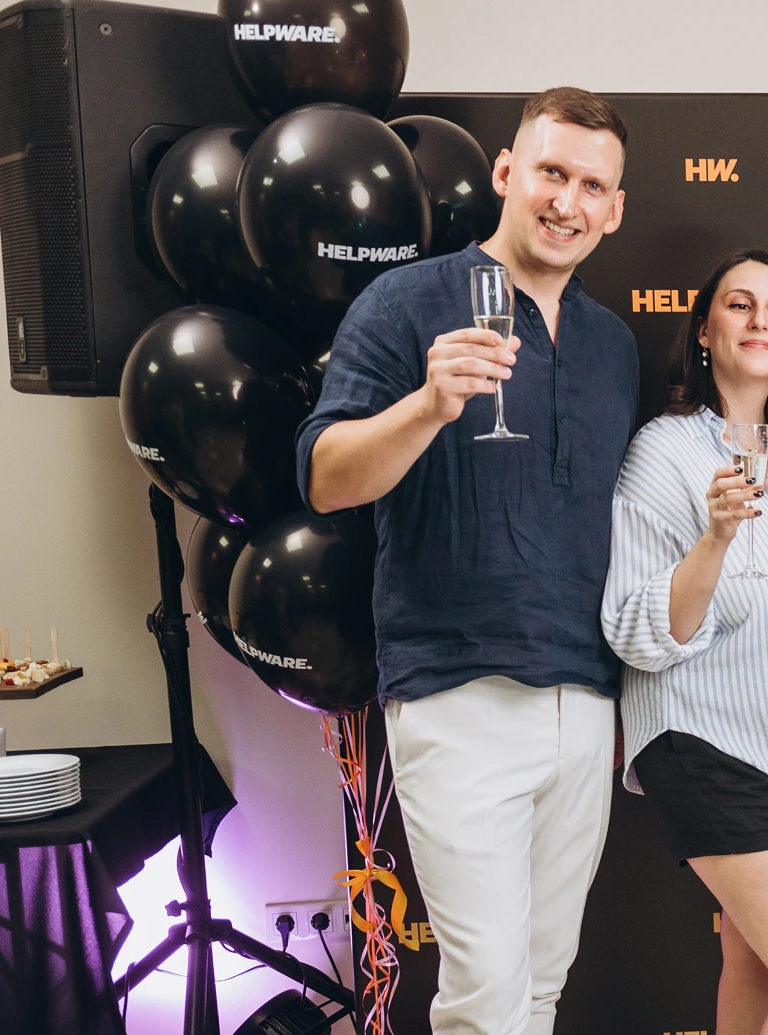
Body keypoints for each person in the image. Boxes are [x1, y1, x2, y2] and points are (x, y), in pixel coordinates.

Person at [294, 87, 634, 1035]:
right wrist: (427, 406)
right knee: (484, 996)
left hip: (584, 698)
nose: (566, 201)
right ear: (505, 173)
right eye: (551, 172)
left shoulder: (611, 345)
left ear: (614, 210)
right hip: (456, 689)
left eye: (591, 185)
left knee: (538, 988)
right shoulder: (406, 302)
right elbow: (325, 478)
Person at [603, 250, 768, 1035]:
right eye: (740, 305)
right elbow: (635, 627)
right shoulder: (664, 451)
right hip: (714, 744)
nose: (761, 320)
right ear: (703, 332)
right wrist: (716, 536)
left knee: (757, 965)